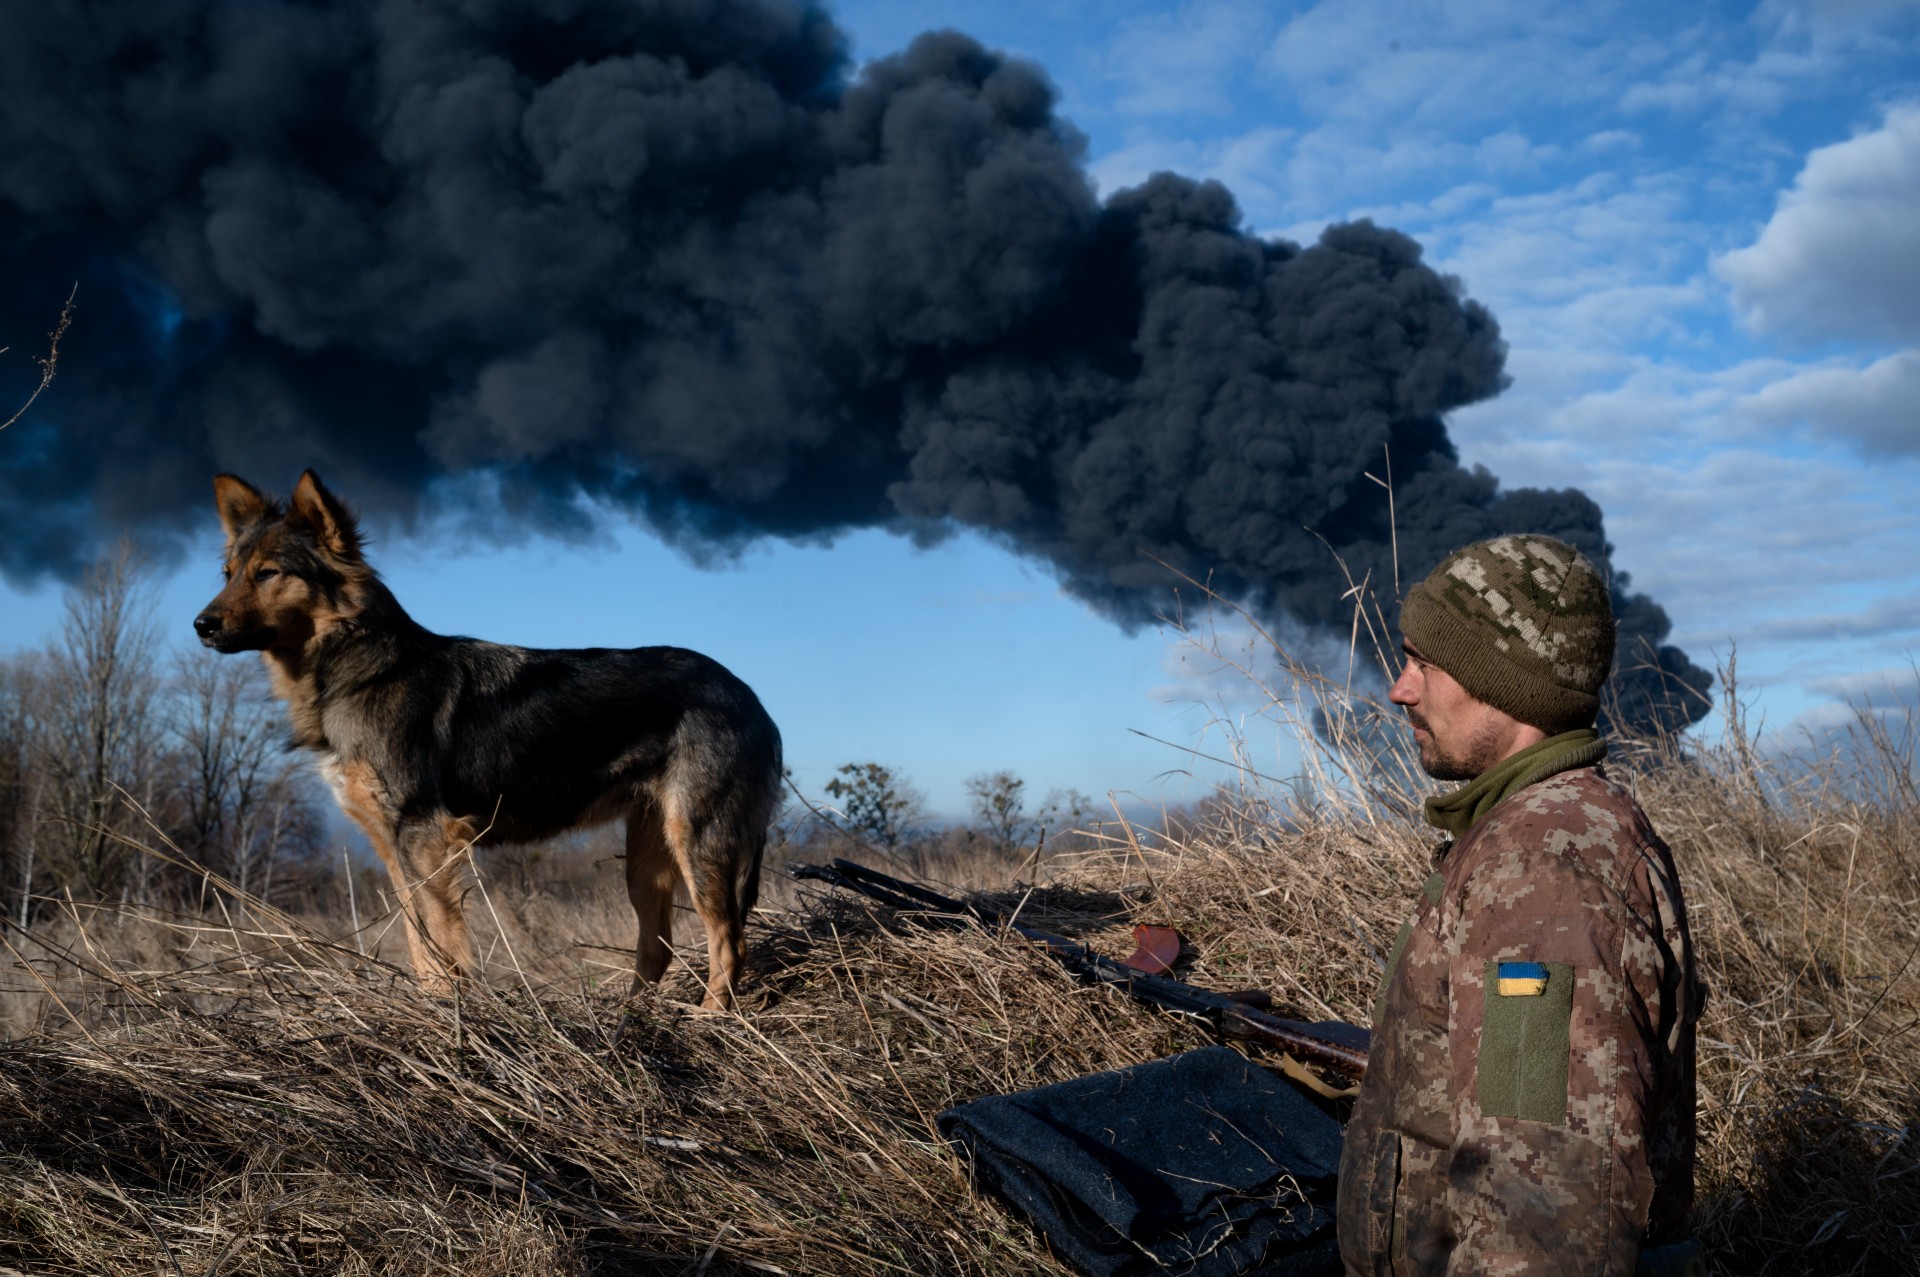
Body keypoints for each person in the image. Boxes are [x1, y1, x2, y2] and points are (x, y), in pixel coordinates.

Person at [1336, 534, 1703, 1277]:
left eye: (1424, 663)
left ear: (1503, 684)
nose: (1401, 688)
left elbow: (1539, 1217)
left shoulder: (1547, 867)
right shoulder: (1533, 831)